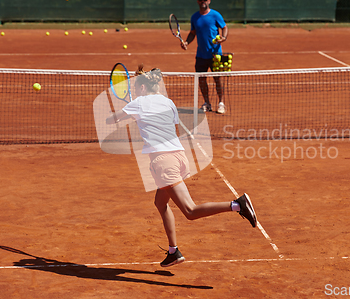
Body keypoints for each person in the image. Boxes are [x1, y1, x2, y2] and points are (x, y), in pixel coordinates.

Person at [107, 65, 257, 267]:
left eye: (135, 87)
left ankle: (237, 205)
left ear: (142, 88)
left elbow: (111, 120)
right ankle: (173, 251)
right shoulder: (168, 102)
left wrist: (124, 108)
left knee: (190, 211)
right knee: (160, 203)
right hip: (179, 157)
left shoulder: (138, 103)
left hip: (163, 163)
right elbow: (173, 129)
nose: (133, 90)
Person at [181, 0, 228, 114]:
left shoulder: (215, 15)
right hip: (201, 54)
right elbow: (193, 33)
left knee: (218, 79)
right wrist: (186, 42)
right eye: (200, 0)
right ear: (198, 1)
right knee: (201, 79)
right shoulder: (195, 17)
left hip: (215, 54)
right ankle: (207, 103)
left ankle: (221, 103)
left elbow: (224, 27)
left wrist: (224, 37)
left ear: (209, 1)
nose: (203, 2)